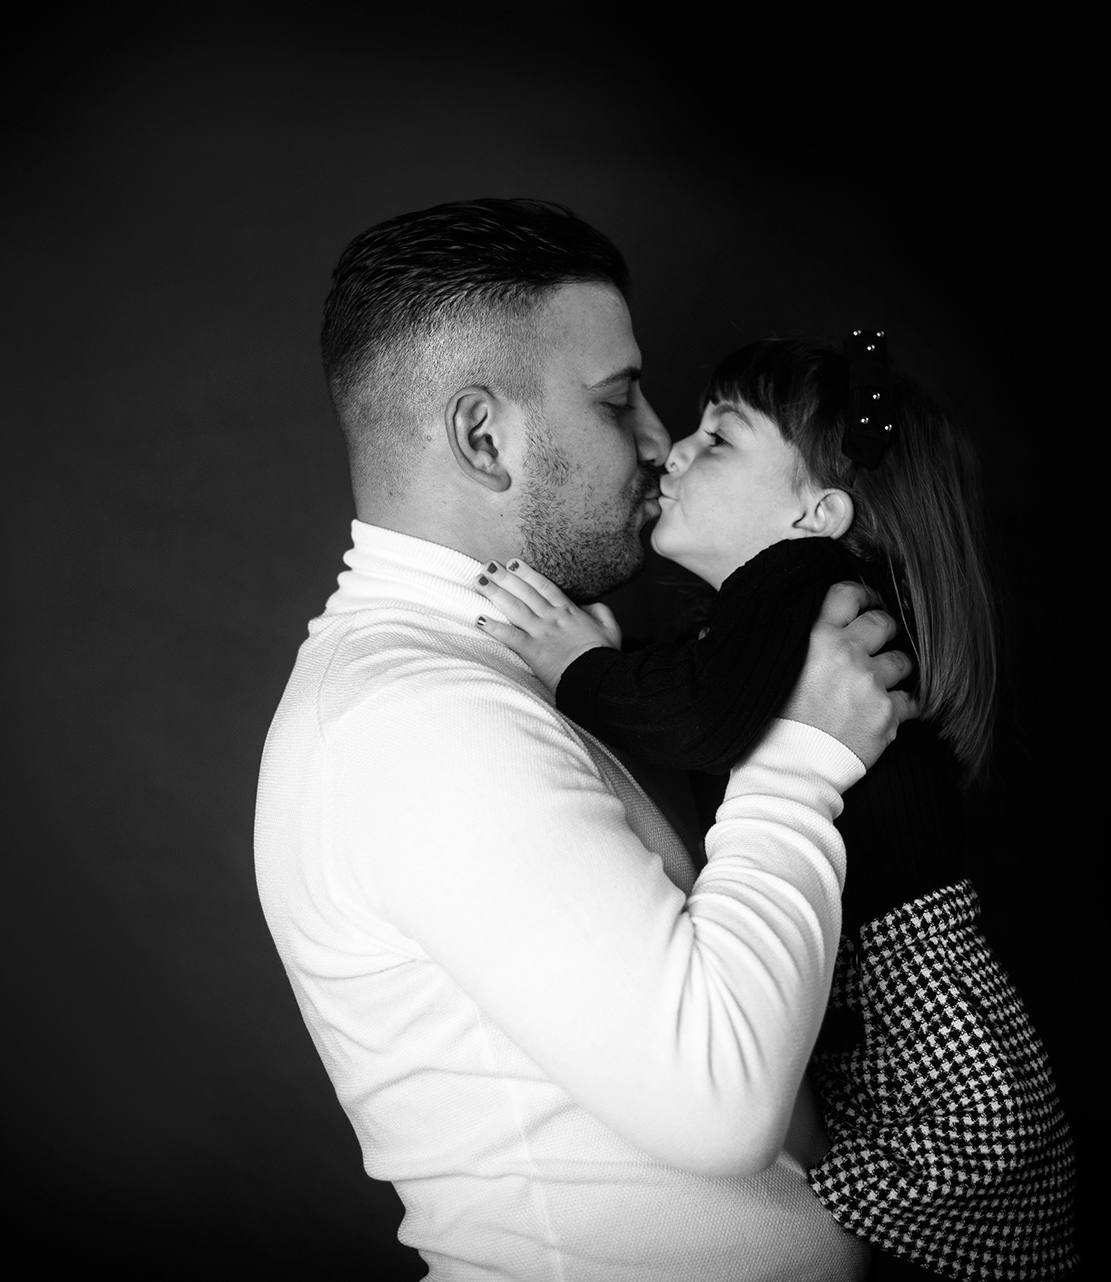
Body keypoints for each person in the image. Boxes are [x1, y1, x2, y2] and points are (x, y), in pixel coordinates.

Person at [255, 199, 913, 1280]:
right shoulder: (417, 723)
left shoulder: (477, 678)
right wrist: (800, 757)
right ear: (483, 438)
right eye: (617, 400)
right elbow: (717, 1101)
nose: (660, 439)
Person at [469, 336, 1077, 1280]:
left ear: (816, 512)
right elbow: (713, 695)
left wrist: (575, 665)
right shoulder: (782, 609)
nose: (674, 450)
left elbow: (704, 719)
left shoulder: (804, 583)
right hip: (913, 1019)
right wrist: (620, 661)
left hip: (921, 1043)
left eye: (719, 439)